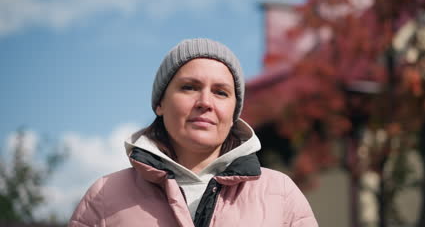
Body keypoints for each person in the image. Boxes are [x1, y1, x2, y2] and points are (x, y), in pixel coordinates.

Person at [69, 38, 319, 227]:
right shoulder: (105, 195)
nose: (205, 102)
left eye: (221, 92)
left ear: (234, 112)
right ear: (160, 103)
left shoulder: (281, 194)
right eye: (189, 87)